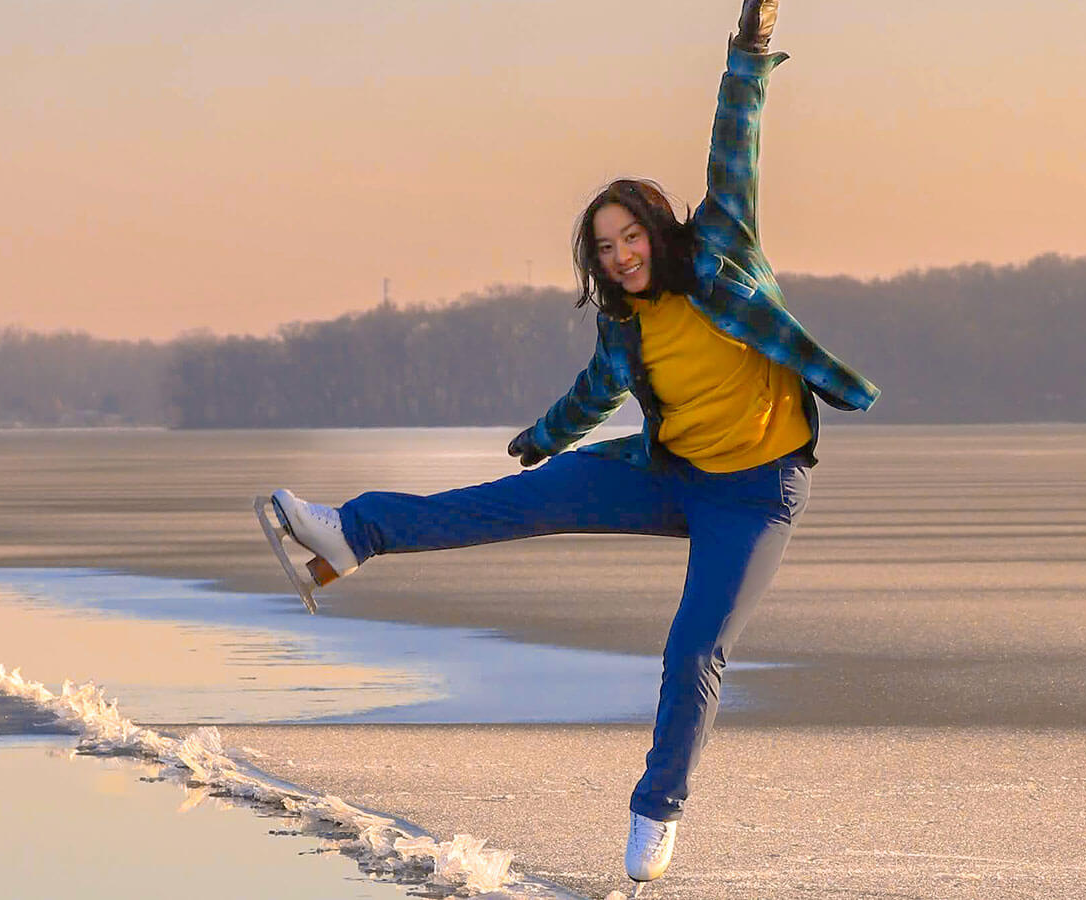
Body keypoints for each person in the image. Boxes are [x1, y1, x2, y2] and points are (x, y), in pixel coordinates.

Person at [260, 0, 878, 885]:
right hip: (669, 476)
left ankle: (658, 809)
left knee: (695, 649)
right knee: (514, 506)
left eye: (631, 236)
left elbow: (735, 135)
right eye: (606, 248)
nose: (623, 256)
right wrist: (541, 439)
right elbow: (596, 394)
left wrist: (751, 46)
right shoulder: (626, 323)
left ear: (658, 228)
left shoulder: (719, 248)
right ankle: (351, 536)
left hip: (755, 493)